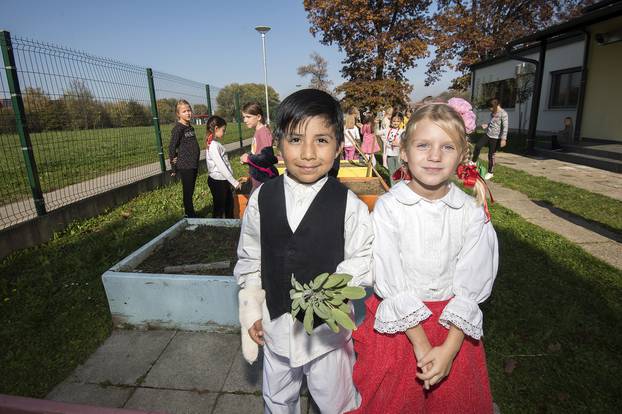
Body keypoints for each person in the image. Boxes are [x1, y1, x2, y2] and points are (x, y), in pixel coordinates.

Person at [350, 103, 499, 413]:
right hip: (400, 331)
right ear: (403, 151)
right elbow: (389, 274)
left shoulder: (470, 214)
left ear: (462, 156)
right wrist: (421, 344)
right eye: (423, 145)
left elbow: (472, 279)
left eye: (447, 147)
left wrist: (450, 348)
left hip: (452, 328)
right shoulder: (389, 209)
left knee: (453, 403)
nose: (434, 156)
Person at [234, 88, 374, 414]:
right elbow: (250, 257)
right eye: (296, 140)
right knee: (277, 399)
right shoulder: (261, 200)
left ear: (339, 146)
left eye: (321, 140)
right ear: (278, 144)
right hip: (276, 329)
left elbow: (364, 258)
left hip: (328, 337)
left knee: (335, 401)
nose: (308, 153)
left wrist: (333, 288)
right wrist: (253, 310)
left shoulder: (350, 206)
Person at [169, 99, 200, 218]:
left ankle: (190, 211)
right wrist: (173, 167)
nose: (188, 113)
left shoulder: (190, 127)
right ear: (178, 114)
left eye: (189, 110)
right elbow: (172, 147)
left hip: (193, 164)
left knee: (191, 189)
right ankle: (189, 214)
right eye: (184, 111)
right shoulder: (178, 128)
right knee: (187, 191)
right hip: (185, 165)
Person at [205, 115, 240, 218]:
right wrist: (234, 182)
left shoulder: (214, 143)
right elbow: (221, 166)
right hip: (218, 181)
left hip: (222, 179)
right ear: (216, 128)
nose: (224, 132)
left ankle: (229, 225)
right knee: (220, 208)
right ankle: (217, 228)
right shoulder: (213, 146)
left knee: (229, 204)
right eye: (223, 130)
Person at [472, 97, 508, 180]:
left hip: (496, 138)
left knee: (491, 155)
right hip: (488, 134)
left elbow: (505, 127)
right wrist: (487, 125)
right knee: (477, 146)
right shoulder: (492, 113)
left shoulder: (503, 114)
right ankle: (473, 162)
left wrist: (503, 139)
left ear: (495, 105)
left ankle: (490, 172)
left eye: (490, 107)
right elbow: (492, 123)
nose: (489, 109)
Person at [242, 102, 274, 190]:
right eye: (244, 117)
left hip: (263, 179)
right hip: (257, 177)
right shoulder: (258, 131)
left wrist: (248, 158)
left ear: (259, 117)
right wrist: (249, 159)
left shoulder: (263, 133)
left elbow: (267, 158)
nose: (245, 120)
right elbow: (258, 153)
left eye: (248, 117)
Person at [382, 112, 405, 185]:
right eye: (394, 121)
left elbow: (407, 143)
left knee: (399, 172)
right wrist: (376, 124)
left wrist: (399, 144)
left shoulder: (403, 131)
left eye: (398, 121)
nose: (395, 123)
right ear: (391, 121)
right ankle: (393, 188)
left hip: (399, 155)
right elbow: (377, 132)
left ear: (401, 122)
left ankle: (399, 188)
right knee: (391, 172)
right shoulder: (387, 130)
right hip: (390, 154)